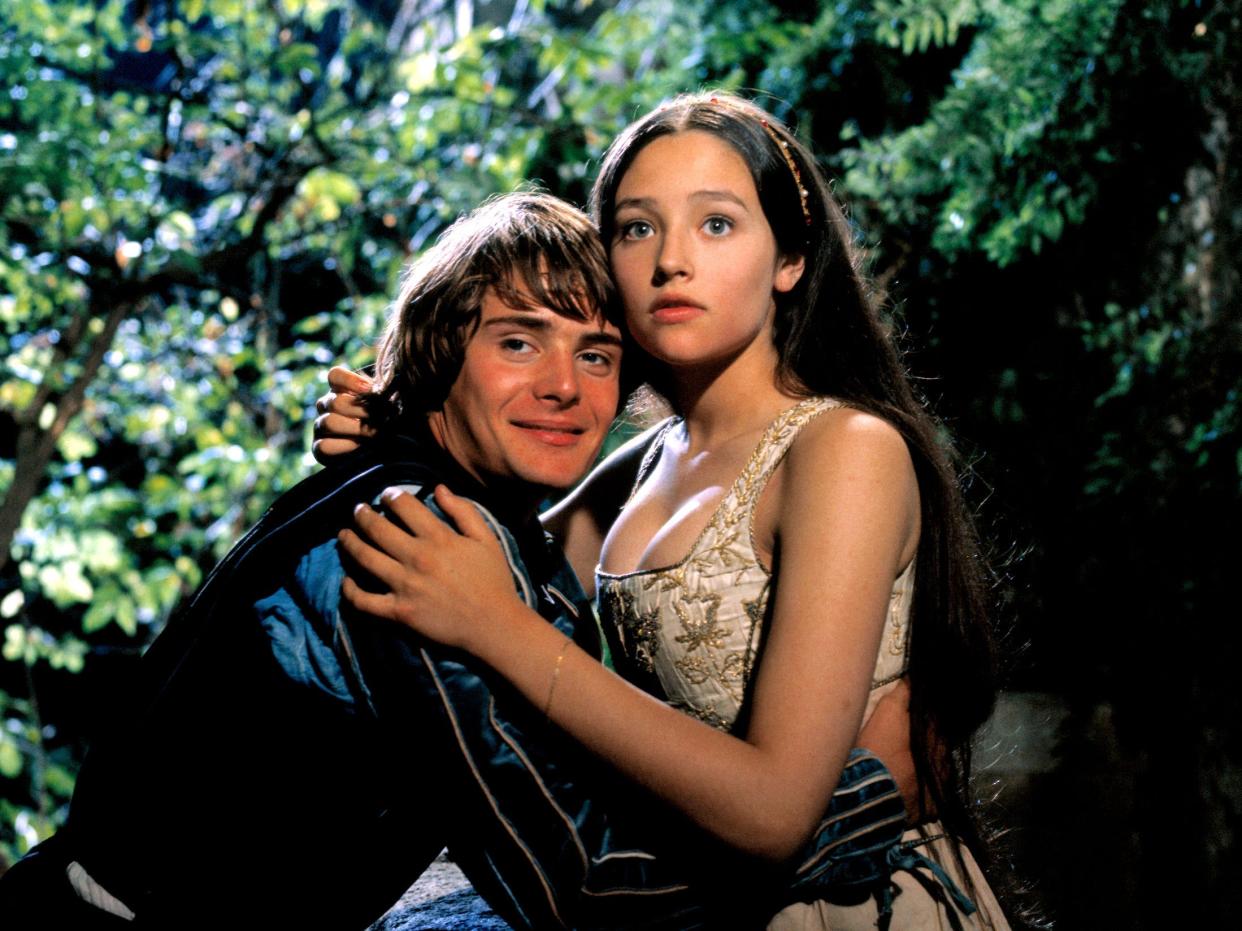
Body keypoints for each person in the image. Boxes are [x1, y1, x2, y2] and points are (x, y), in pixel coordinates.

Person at [0, 192, 910, 930]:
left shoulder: (424, 489)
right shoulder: (421, 542)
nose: (564, 385)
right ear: (445, 350)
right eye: (519, 341)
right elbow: (588, 890)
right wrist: (870, 790)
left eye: (596, 354)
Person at [324, 93, 1011, 929]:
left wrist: (499, 626)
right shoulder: (645, 465)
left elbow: (773, 812)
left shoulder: (843, 448)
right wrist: (391, 430)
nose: (670, 262)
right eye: (637, 228)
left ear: (790, 259)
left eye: (716, 224)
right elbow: (476, 555)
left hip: (846, 901)